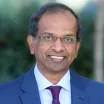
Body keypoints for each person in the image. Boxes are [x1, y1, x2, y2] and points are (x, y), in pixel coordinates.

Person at [0, 2, 104, 104]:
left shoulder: (100, 95)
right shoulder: (4, 96)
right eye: (48, 37)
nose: (58, 48)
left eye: (67, 39)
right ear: (32, 44)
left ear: (77, 47)